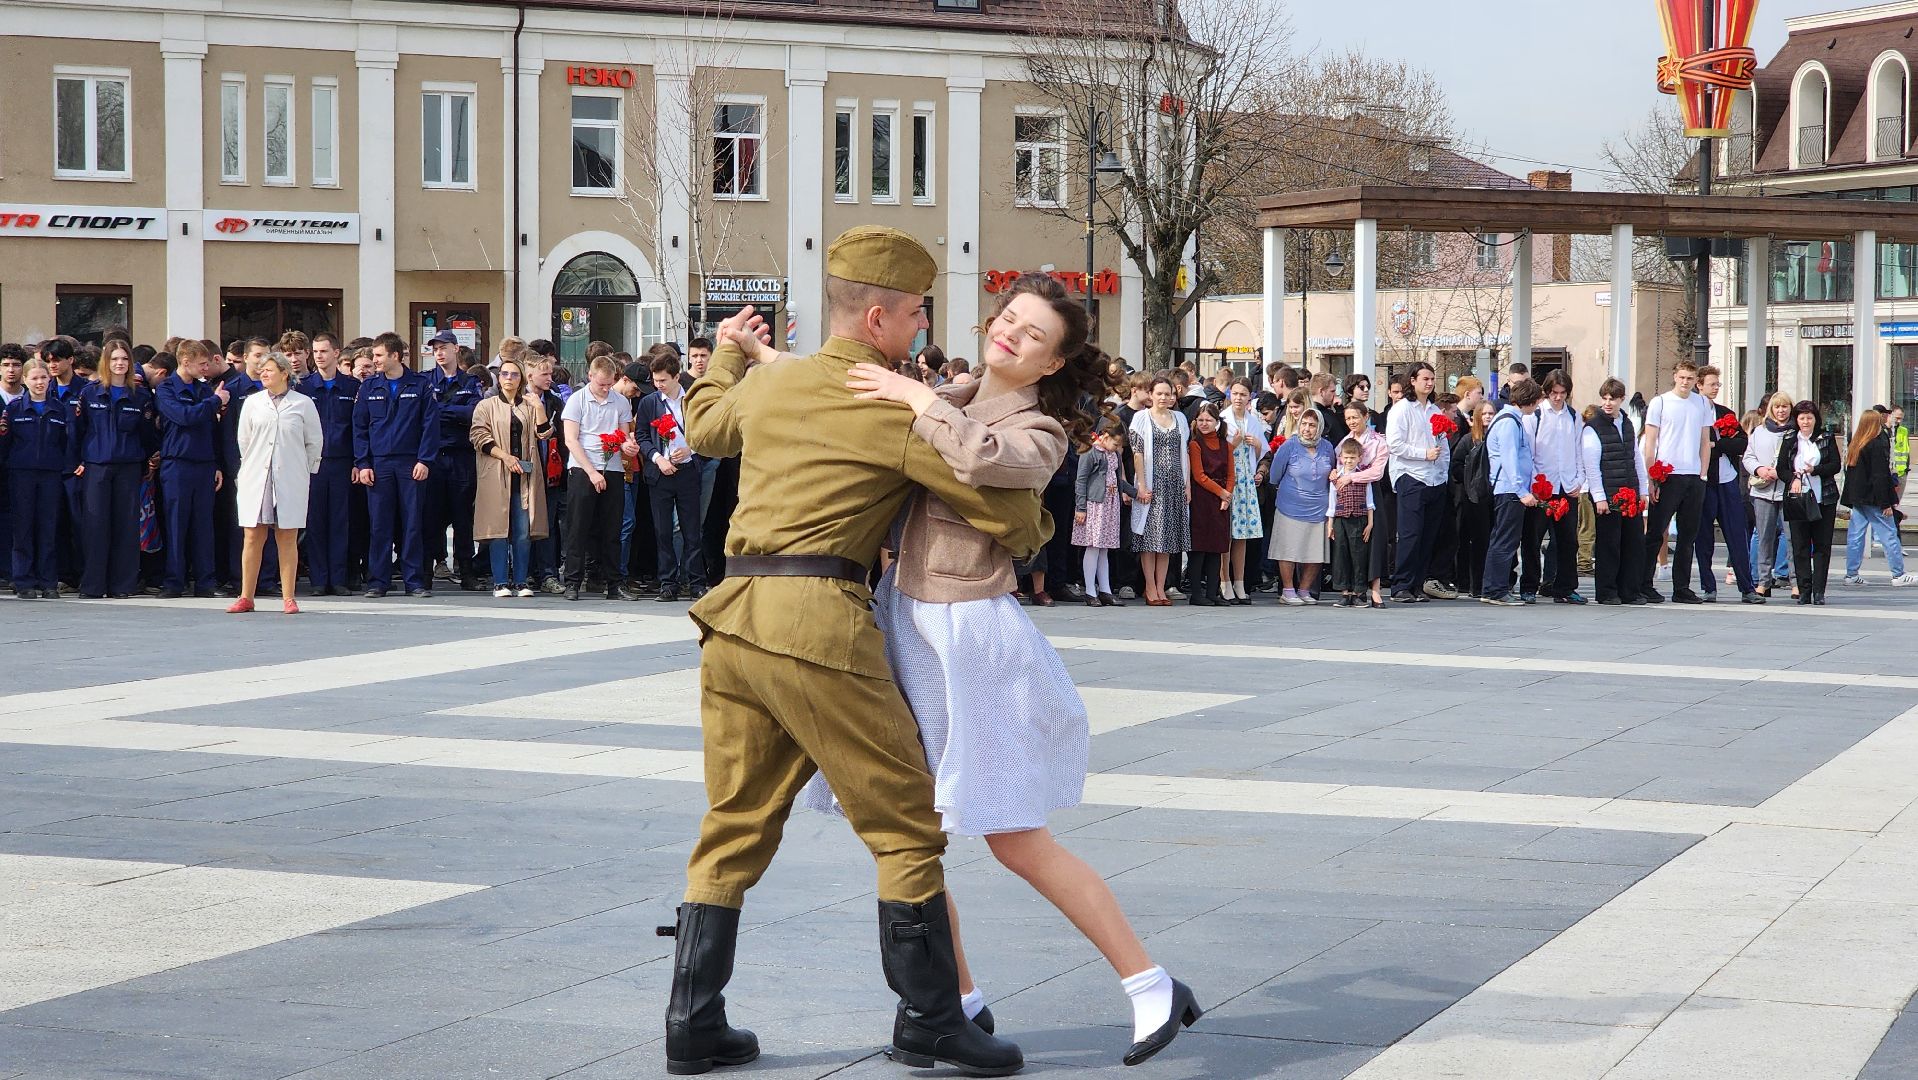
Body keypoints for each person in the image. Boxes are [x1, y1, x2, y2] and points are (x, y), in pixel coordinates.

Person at [666, 228, 1045, 1078]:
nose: (920, 329)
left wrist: (728, 352)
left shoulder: (777, 383)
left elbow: (703, 426)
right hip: (817, 626)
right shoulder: (888, 403)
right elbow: (991, 504)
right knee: (907, 825)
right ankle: (932, 1021)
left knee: (733, 822)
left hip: (731, 619)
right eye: (914, 314)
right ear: (877, 317)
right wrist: (1036, 524)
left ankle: (693, 1022)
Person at [792, 271, 1197, 1066]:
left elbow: (980, 462)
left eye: (1032, 335)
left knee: (1015, 838)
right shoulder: (955, 388)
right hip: (903, 616)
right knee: (909, 833)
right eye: (1009, 319)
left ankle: (1151, 984)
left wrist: (918, 403)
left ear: (1051, 363)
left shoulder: (1039, 427)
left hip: (970, 633)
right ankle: (960, 999)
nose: (1010, 334)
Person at [229, 353, 324, 614]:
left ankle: (288, 597)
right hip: (257, 476)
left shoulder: (302, 404)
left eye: (270, 369)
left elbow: (314, 442)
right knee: (252, 536)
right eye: (262, 370)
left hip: (290, 477)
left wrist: (305, 471)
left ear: (284, 373)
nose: (264, 374)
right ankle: (246, 595)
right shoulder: (252, 403)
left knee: (287, 536)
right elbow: (244, 440)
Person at [353, 332, 440, 598]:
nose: (374, 360)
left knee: (412, 523)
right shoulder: (369, 387)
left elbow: (429, 425)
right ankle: (378, 581)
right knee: (380, 524)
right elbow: (359, 428)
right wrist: (363, 462)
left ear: (395, 356)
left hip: (410, 462)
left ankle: (414, 581)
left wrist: (425, 459)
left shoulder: (420, 385)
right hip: (379, 465)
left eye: (379, 355)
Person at [75, 341, 153, 599]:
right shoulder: (90, 393)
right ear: (106, 363)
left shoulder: (140, 395)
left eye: (124, 359)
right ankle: (93, 585)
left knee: (126, 527)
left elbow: (147, 433)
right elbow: (78, 430)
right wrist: (79, 461)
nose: (119, 363)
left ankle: (122, 585)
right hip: (97, 466)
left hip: (128, 467)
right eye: (114, 359)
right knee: (96, 526)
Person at [154, 340, 230, 599]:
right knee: (176, 524)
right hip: (177, 463)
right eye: (201, 363)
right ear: (185, 362)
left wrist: (217, 464)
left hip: (204, 463)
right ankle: (174, 581)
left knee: (203, 526)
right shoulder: (166, 389)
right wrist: (215, 402)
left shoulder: (204, 390)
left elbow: (212, 430)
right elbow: (183, 416)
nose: (206, 368)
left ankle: (205, 581)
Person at [470, 356, 549, 599]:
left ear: (521, 378)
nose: (509, 379)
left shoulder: (528, 404)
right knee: (498, 529)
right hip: (496, 474)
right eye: (504, 374)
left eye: (514, 374)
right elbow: (478, 436)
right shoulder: (487, 405)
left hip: (524, 476)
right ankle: (500, 581)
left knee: (523, 530)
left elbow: (544, 434)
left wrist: (538, 408)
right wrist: (505, 457)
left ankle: (521, 581)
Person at [1639, 360, 1713, 604]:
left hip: (1692, 475)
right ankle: (1644, 583)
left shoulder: (1701, 403)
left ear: (1695, 381)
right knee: (1656, 532)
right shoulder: (1660, 403)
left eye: (1690, 378)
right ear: (1675, 377)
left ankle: (1681, 587)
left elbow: (1705, 441)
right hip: (1667, 475)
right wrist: (1652, 477)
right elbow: (1650, 442)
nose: (1685, 382)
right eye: (1682, 377)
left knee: (1688, 535)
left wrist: (1702, 474)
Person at [4, 360, 79, 598]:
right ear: (25, 380)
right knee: (23, 529)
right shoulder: (14, 410)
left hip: (50, 474)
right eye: (34, 378)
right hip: (21, 474)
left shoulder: (59, 409)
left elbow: (66, 443)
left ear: (50, 380)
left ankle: (48, 581)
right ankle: (24, 581)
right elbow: (6, 444)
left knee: (48, 528)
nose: (39, 383)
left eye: (43, 378)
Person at [637, 351, 706, 602]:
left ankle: (696, 581)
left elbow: (705, 433)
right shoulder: (650, 402)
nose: (659, 386)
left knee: (691, 530)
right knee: (662, 530)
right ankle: (668, 582)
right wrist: (658, 458)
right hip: (660, 473)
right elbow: (642, 436)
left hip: (688, 470)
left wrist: (691, 448)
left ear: (677, 376)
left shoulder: (693, 401)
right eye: (656, 381)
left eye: (663, 380)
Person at [296, 333, 361, 597]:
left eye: (324, 351)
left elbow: (358, 427)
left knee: (340, 521)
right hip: (311, 463)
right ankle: (318, 579)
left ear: (336, 353)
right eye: (315, 351)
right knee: (315, 522)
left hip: (342, 462)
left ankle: (338, 578)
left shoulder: (351, 386)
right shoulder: (303, 386)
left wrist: (358, 461)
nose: (319, 356)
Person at [1691, 366, 1762, 604]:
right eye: (1711, 384)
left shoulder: (1724, 413)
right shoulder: (1691, 411)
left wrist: (1717, 446)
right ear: (1699, 385)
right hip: (1703, 480)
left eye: (1717, 384)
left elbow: (1742, 444)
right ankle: (1708, 586)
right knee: (1703, 537)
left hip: (1727, 478)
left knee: (1737, 534)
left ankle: (1747, 586)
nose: (1715, 388)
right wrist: (1712, 446)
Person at [422, 329, 484, 589]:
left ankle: (466, 571)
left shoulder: (470, 382)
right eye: (435, 348)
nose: (439, 352)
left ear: (456, 349)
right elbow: (425, 413)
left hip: (461, 457)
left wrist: (442, 410)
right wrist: (453, 412)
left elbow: (474, 412)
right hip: (434, 457)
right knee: (430, 516)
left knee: (462, 518)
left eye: (444, 347)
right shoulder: (425, 381)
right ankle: (428, 570)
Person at [1520, 370, 1585, 605]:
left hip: (1566, 485)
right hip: (1542, 487)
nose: (1558, 398)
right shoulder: (1535, 416)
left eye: (1562, 393)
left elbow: (1578, 449)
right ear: (1546, 392)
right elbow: (1528, 452)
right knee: (1533, 538)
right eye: (1554, 393)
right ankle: (1529, 585)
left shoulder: (1574, 416)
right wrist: (1534, 484)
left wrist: (1579, 479)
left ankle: (1565, 587)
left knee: (1568, 540)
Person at [1581, 378, 1649, 606]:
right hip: (1608, 493)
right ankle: (1607, 591)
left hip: (1629, 491)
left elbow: (1635, 457)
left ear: (1622, 399)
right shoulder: (1593, 426)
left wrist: (1642, 490)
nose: (1608, 403)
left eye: (1613, 398)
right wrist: (1599, 497)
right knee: (1609, 545)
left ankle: (1630, 589)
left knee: (1633, 542)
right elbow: (1591, 464)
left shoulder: (1627, 423)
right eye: (1605, 398)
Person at [1386, 362, 1448, 603]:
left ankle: (1416, 584)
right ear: (1412, 380)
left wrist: (1442, 472)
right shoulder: (1402, 409)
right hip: (1411, 476)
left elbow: (1442, 445)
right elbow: (1395, 444)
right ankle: (1401, 584)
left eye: (1432, 378)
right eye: (1424, 378)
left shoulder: (1434, 411)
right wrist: (1423, 454)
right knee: (1410, 534)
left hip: (1434, 479)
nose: (1429, 383)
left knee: (1427, 535)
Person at [1129, 376, 1190, 607]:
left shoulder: (1180, 418)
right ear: (1151, 395)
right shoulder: (1141, 418)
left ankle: (1161, 586)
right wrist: (1142, 486)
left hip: (1175, 484)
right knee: (1150, 537)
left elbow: (1184, 452)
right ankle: (1150, 587)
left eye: (1168, 394)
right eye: (1159, 393)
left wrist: (1188, 484)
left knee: (1167, 539)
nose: (1164, 398)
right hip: (1153, 483)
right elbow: (1137, 453)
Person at [1481, 378, 1543, 607]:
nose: (1537, 407)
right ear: (1529, 400)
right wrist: (1521, 490)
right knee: (1505, 541)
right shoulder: (1509, 423)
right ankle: (1495, 589)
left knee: (1504, 540)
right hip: (1509, 490)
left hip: (1511, 489)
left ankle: (1494, 587)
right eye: (1537, 402)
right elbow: (1509, 460)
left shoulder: (1511, 420)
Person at [1841, 408, 1916, 586]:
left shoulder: (1856, 443)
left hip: (1858, 497)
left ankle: (1851, 574)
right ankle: (1898, 574)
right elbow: (1879, 475)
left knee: (1856, 535)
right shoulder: (1876, 443)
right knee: (1889, 533)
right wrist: (1886, 503)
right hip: (1874, 497)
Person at [1267, 406, 1334, 605]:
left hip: (1319, 508)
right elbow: (1275, 475)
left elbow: (1331, 473)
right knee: (1288, 550)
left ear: (1319, 427)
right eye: (1304, 424)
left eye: (1312, 425)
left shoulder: (1327, 447)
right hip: (1290, 506)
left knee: (1314, 552)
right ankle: (1288, 590)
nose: (1307, 428)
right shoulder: (1290, 445)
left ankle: (1304, 589)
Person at [1779, 400, 1839, 605]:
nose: (1805, 422)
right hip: (1798, 499)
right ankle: (1804, 590)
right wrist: (1793, 478)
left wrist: (1816, 470)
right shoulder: (1789, 439)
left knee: (1822, 545)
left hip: (1824, 498)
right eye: (1802, 418)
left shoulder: (1826, 438)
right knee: (1800, 545)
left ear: (1816, 419)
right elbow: (1781, 468)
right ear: (1796, 420)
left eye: (1809, 418)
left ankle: (1819, 591)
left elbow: (1835, 465)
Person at [1073, 416, 1135, 607]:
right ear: (1105, 436)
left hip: (1110, 504)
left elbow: (1117, 479)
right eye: (1115, 443)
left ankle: (1105, 590)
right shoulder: (1091, 452)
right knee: (1093, 547)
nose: (1117, 448)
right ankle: (1090, 591)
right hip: (1094, 505)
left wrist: (1134, 492)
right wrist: (1081, 507)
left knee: (1104, 549)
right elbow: (1081, 480)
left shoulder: (1114, 455)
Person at [1745, 392, 1795, 598]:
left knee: (1792, 537)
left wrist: (1783, 473)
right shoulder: (1759, 431)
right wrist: (1758, 469)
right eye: (1777, 407)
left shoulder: (1795, 431)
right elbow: (1748, 457)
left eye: (1785, 407)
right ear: (1770, 409)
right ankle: (1762, 581)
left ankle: (1795, 581)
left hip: (1787, 491)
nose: (1781, 411)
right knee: (1764, 536)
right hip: (1763, 490)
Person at [1221, 378, 1266, 604]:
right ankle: (1224, 580)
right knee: (1227, 534)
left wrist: (1257, 446)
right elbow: (1219, 454)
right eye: (1235, 393)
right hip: (1229, 480)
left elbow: (1260, 453)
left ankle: (1239, 581)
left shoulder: (1253, 420)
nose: (1239, 398)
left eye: (1243, 394)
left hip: (1246, 480)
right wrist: (1236, 443)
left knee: (1242, 535)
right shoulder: (1223, 419)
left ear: (1250, 397)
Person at [1186, 401, 1234, 606]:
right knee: (1200, 548)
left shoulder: (1227, 445)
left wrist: (1227, 495)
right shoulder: (1195, 444)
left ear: (1217, 422)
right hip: (1202, 499)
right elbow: (1199, 475)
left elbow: (1231, 474)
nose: (1204, 424)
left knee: (1217, 547)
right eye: (1201, 420)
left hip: (1221, 500)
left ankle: (1214, 591)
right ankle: (1197, 593)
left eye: (1209, 420)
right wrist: (1222, 492)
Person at [1452, 399, 1495, 600]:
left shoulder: (1497, 438)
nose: (1487, 417)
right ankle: (1469, 583)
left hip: (1493, 496)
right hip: (1471, 497)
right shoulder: (1468, 439)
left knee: (1490, 540)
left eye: (1491, 413)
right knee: (1472, 541)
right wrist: (1470, 480)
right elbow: (1456, 465)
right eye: (1484, 413)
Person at [1327, 436, 1375, 608]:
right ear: (1340, 457)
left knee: (1358, 554)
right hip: (1340, 519)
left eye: (1352, 457)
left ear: (1359, 458)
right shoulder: (1336, 477)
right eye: (1346, 457)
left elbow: (1370, 503)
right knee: (1341, 554)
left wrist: (1370, 523)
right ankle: (1344, 592)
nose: (1348, 460)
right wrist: (1330, 524)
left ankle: (1359, 592)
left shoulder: (1362, 478)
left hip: (1359, 519)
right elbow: (1332, 501)